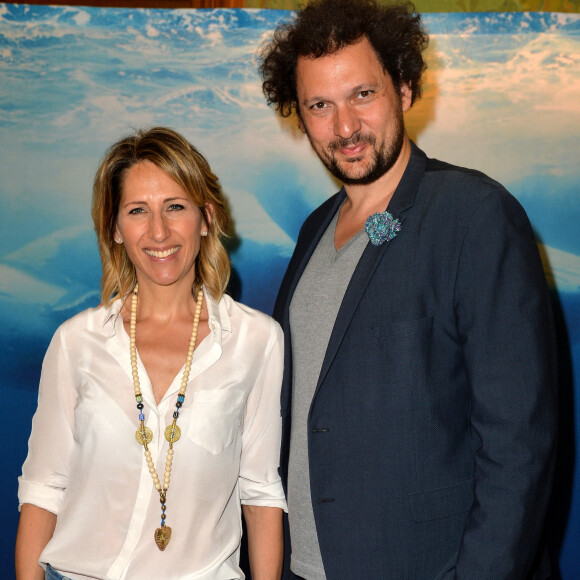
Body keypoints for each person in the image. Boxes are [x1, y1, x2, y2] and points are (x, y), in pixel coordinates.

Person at [258, 1, 557, 578]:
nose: (344, 126)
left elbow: (518, 446)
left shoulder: (474, 215)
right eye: (321, 105)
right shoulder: (314, 230)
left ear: (404, 89)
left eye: (362, 95)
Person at [15, 127, 285, 580]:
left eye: (175, 207)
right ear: (115, 228)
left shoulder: (258, 340)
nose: (159, 231)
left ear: (206, 217)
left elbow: (260, 496)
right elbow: (43, 490)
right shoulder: (75, 342)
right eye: (138, 210)